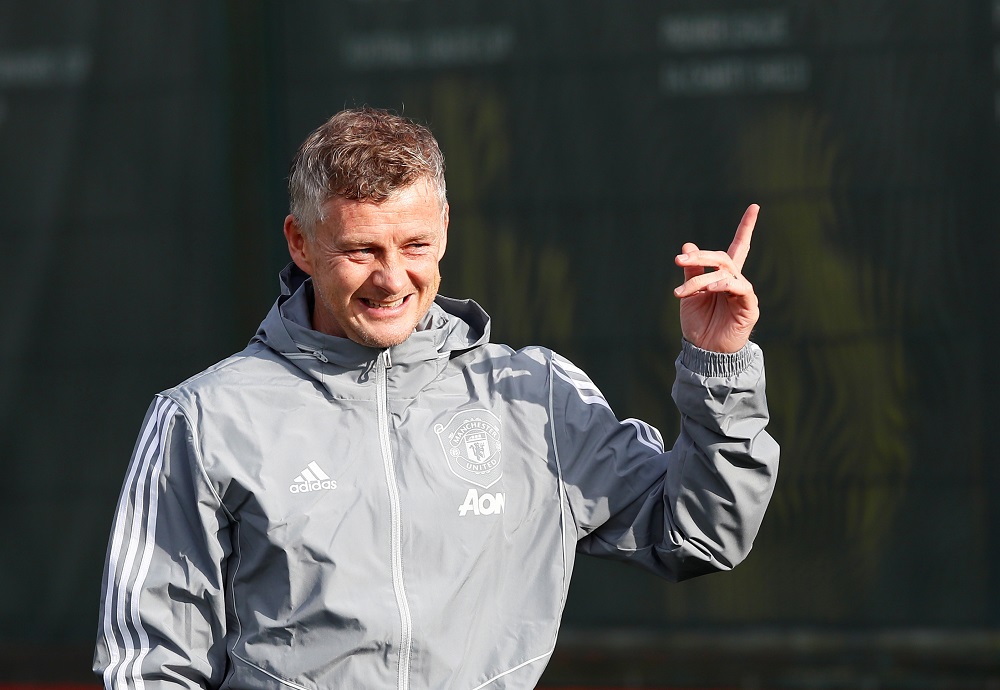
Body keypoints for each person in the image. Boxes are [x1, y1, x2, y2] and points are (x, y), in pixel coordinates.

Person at [94, 107, 779, 689]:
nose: (393, 278)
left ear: (445, 228)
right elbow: (150, 665)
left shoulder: (535, 397)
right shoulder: (205, 418)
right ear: (301, 243)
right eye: (361, 250)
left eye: (415, 244)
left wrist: (718, 366)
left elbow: (698, 533)